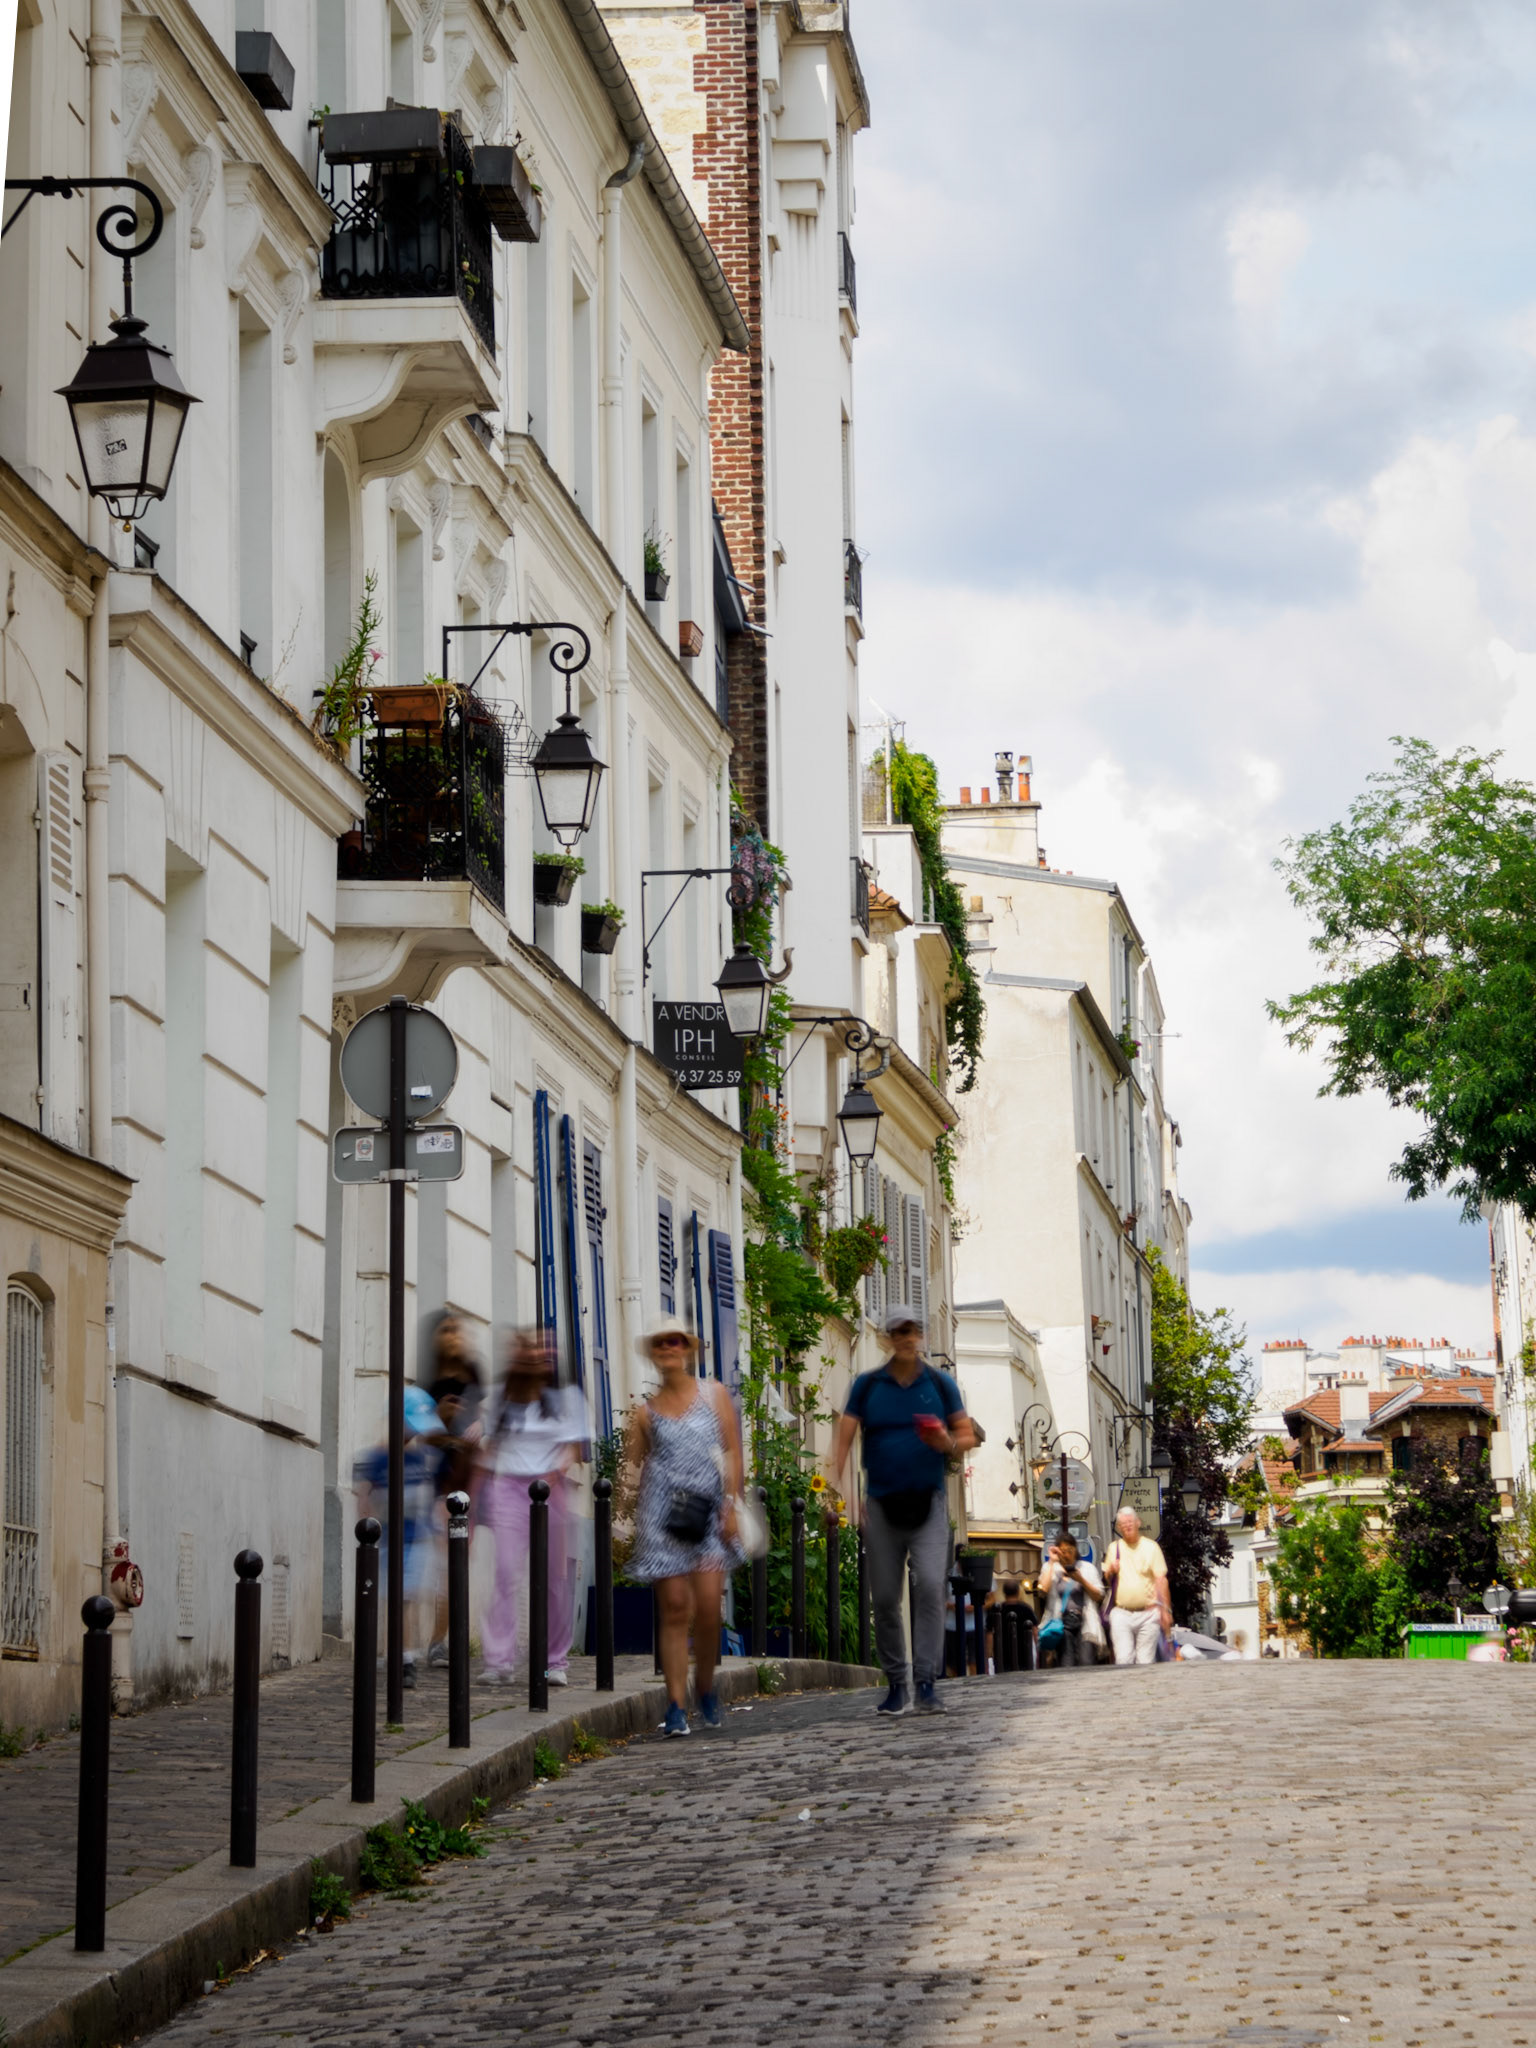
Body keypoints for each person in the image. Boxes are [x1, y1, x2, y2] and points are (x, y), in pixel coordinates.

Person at [828, 1304, 976, 1717]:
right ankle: (897, 1683)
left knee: (929, 1586)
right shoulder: (867, 1385)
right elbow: (843, 1440)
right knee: (884, 1599)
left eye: (912, 1331)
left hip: (928, 1503)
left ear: (920, 1335)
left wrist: (946, 1442)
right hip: (881, 1505)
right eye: (899, 1332)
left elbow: (966, 1436)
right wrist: (844, 1495)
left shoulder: (940, 1384)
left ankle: (926, 1682)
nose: (907, 1338)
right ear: (889, 1338)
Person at [620, 1313, 744, 1738]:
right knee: (674, 1609)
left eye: (675, 1341)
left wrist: (732, 1503)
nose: (668, 1348)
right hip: (663, 1516)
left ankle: (705, 1686)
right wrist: (623, 1511)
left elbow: (733, 1451)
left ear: (687, 1349)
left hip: (708, 1512)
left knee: (708, 1608)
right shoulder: (646, 1412)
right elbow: (632, 1467)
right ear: (654, 1354)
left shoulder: (714, 1394)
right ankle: (675, 1704)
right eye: (661, 1343)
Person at [478, 1329, 589, 1686]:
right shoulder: (502, 1396)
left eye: (546, 1348)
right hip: (508, 1488)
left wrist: (554, 1473)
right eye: (533, 1347)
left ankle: (554, 1661)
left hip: (550, 1489)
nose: (541, 1353)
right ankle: (499, 1660)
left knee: (554, 1579)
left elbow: (575, 1448)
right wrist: (474, 1494)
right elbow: (490, 1449)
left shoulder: (568, 1398)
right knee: (505, 1572)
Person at [353, 1380, 459, 1689]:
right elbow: (363, 1499)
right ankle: (400, 1655)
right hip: (386, 1541)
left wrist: (438, 1535)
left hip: (416, 1540)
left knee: (404, 1599)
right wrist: (369, 1528)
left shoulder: (422, 1458)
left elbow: (431, 1500)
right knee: (395, 1600)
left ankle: (404, 1657)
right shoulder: (376, 1459)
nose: (414, 1435)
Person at [1102, 1506, 1172, 1666]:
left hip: (1148, 1613)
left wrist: (1165, 1610)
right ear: (1119, 1527)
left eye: (1130, 1522)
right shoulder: (1114, 1548)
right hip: (1121, 1613)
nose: (1127, 1526)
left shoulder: (1151, 1547)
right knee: (1123, 1659)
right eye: (1123, 1524)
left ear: (1138, 1523)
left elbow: (1161, 1580)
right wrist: (1111, 1570)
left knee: (1145, 1660)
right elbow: (1107, 1579)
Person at [1038, 1534, 1104, 1667]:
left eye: (1070, 1550)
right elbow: (1042, 1591)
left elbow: (1099, 1596)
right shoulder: (1050, 1568)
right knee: (1066, 1663)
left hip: (1085, 1622)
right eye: (1063, 1551)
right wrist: (1051, 1561)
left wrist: (1081, 1580)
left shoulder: (1087, 1568)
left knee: (1086, 1661)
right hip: (1061, 1623)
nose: (1067, 1555)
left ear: (1076, 1549)